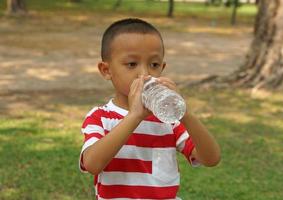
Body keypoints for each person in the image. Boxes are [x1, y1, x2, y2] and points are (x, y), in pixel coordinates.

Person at [79, 18, 221, 199]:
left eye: (153, 65)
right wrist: (133, 117)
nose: (144, 74)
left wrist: (186, 114)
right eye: (131, 64)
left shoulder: (168, 120)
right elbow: (92, 164)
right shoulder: (100, 117)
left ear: (162, 68)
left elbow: (211, 159)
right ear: (107, 70)